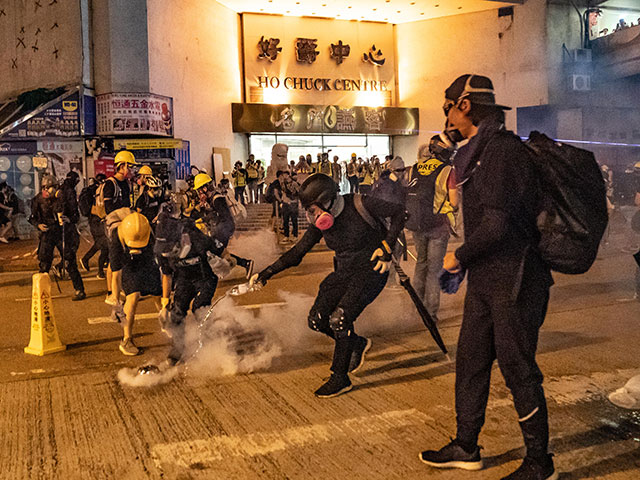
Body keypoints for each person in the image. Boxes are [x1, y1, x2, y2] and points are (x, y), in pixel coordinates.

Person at [419, 74, 556, 480]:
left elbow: (498, 224)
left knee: (518, 368)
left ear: (464, 105)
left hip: (515, 278)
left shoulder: (501, 152)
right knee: (471, 361)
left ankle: (539, 462)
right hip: (487, 277)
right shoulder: (476, 152)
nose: (444, 116)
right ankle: (466, 445)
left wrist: (457, 256)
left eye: (447, 106)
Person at [251, 173, 405, 398]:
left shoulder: (361, 204)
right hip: (344, 273)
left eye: (312, 210)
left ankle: (340, 377)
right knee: (317, 320)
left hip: (371, 271)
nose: (311, 216)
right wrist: (266, 273)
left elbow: (400, 212)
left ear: (327, 201)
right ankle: (356, 343)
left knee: (340, 319)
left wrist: (387, 247)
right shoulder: (320, 224)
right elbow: (298, 253)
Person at [155, 208, 225, 365]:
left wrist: (227, 261)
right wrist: (165, 303)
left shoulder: (198, 240)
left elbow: (221, 250)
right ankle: (177, 349)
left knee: (200, 308)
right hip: (184, 280)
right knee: (177, 312)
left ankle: (210, 344)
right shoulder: (163, 251)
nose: (168, 253)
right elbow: (167, 275)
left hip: (205, 278)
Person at [405, 134, 458, 322]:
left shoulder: (415, 168)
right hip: (437, 226)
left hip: (417, 224)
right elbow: (454, 201)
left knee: (421, 264)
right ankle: (430, 313)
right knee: (434, 270)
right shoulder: (447, 170)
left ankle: (415, 309)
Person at [111, 212, 162, 355]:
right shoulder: (117, 238)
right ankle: (126, 338)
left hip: (147, 261)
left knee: (158, 294)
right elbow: (115, 275)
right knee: (132, 297)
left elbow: (161, 263)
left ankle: (167, 323)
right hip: (129, 264)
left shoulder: (149, 231)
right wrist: (116, 301)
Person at [29, 175, 85, 301]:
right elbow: (31, 217)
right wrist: (38, 225)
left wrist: (69, 219)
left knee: (70, 261)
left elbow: (75, 216)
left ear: (56, 187)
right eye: (44, 187)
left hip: (62, 233)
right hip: (47, 234)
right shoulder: (38, 199)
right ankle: (40, 292)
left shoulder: (64, 197)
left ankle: (79, 290)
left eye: (49, 188)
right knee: (44, 264)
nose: (46, 190)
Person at [192, 173, 254, 278]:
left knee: (213, 250)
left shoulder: (216, 199)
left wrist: (204, 219)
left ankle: (243, 263)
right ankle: (241, 264)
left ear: (205, 188)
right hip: (223, 228)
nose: (199, 193)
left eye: (200, 190)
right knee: (218, 252)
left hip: (225, 228)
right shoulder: (213, 198)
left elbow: (223, 215)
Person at [104, 150, 137, 307]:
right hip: (114, 227)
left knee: (122, 257)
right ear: (121, 166)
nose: (131, 170)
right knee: (114, 258)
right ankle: (110, 292)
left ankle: (119, 288)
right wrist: (124, 211)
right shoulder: (110, 184)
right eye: (129, 166)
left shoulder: (127, 183)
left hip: (125, 225)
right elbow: (108, 207)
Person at [80, 174, 109, 278]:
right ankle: (100, 271)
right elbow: (97, 208)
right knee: (104, 245)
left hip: (94, 222)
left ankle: (86, 259)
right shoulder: (97, 191)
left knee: (101, 244)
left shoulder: (93, 190)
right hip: (97, 221)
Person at [280, 171, 300, 243]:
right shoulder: (283, 184)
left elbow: (299, 192)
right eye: (283, 175)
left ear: (288, 175)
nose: (284, 176)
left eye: (285, 174)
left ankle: (295, 235)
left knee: (294, 220)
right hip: (285, 202)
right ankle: (286, 235)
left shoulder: (294, 183)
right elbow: (282, 192)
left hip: (293, 203)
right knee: (285, 220)